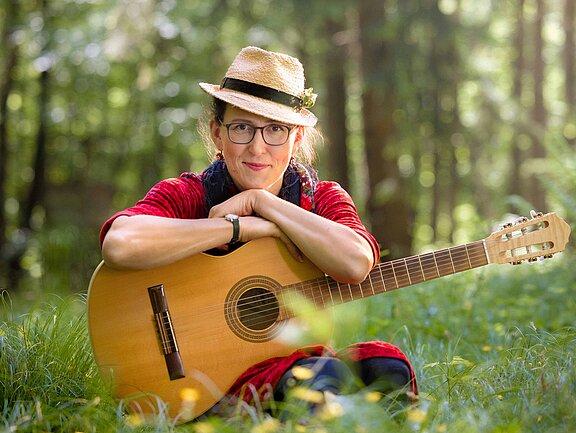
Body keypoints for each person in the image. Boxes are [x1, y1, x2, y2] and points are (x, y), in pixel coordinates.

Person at [99, 46, 418, 416]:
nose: (257, 147)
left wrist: (263, 204)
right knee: (316, 378)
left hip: (299, 361)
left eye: (276, 130)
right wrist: (234, 228)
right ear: (217, 134)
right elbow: (120, 244)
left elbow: (356, 263)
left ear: (297, 139)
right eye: (241, 127)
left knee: (388, 366)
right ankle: (332, 408)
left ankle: (336, 409)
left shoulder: (321, 198)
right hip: (209, 376)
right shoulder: (190, 192)